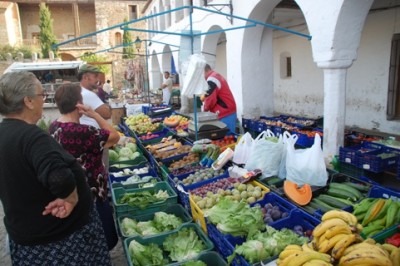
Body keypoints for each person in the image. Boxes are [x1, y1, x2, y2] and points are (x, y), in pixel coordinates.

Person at [0, 72, 112, 265]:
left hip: (27, 238)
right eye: (41, 95)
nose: (43, 101)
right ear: (28, 101)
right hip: (60, 242)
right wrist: (71, 197)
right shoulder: (32, 137)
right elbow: (60, 178)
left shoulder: (5, 133)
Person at [49, 83, 120, 251]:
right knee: (101, 242)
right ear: (78, 104)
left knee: (84, 244)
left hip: (71, 193)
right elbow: (115, 137)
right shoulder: (82, 131)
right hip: (92, 194)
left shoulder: (54, 126)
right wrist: (94, 114)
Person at [202, 64, 237, 133]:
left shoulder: (212, 79)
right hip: (229, 111)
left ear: (204, 71)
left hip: (225, 113)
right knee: (229, 139)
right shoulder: (216, 75)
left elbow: (210, 99)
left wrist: (204, 107)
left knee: (225, 138)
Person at [77, 64, 112, 128]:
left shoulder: (80, 91)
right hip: (94, 134)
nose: (98, 80)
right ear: (85, 77)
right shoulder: (88, 94)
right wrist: (108, 107)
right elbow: (107, 114)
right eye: (95, 76)